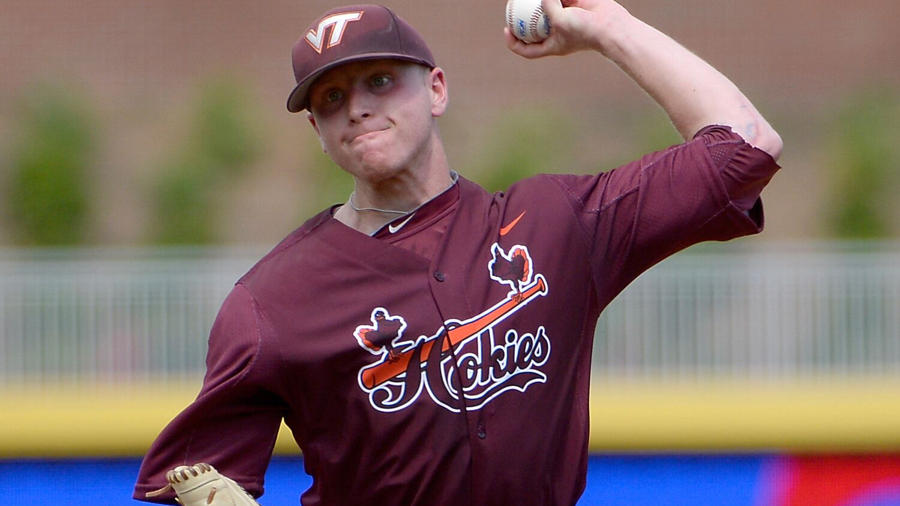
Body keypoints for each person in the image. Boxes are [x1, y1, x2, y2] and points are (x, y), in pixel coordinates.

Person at [134, 1, 782, 505]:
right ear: (317, 132)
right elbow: (187, 479)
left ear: (437, 89)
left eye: (380, 80)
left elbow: (747, 146)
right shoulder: (272, 301)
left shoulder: (556, 226)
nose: (356, 108)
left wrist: (610, 28)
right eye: (331, 98)